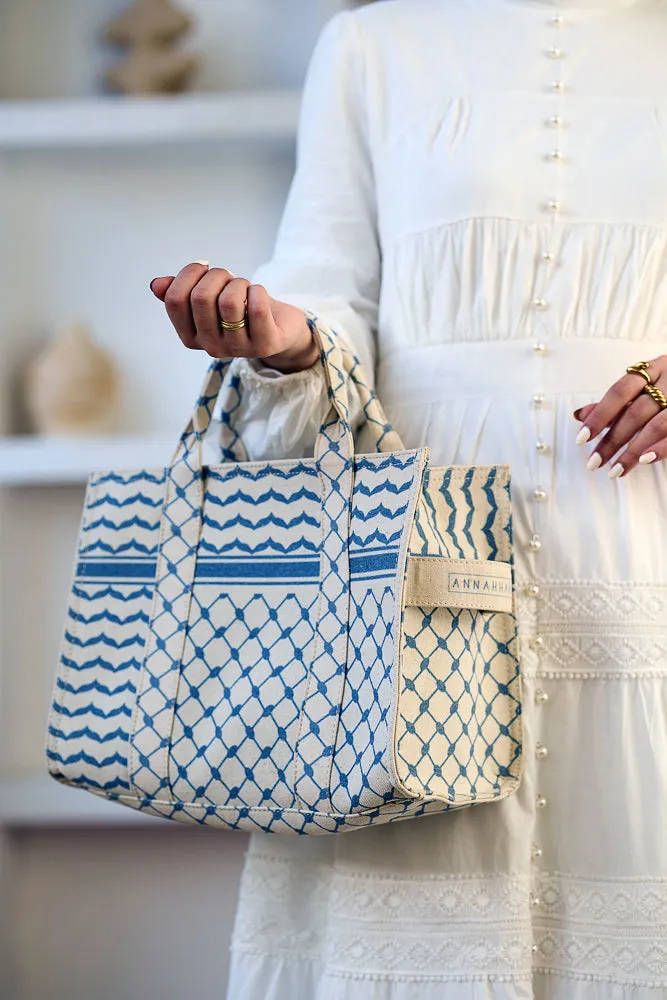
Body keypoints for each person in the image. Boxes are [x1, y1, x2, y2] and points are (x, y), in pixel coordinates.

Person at [149, 0, 667, 996]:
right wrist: (283, 343)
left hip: (640, 560)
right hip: (410, 578)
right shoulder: (372, 43)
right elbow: (325, 301)